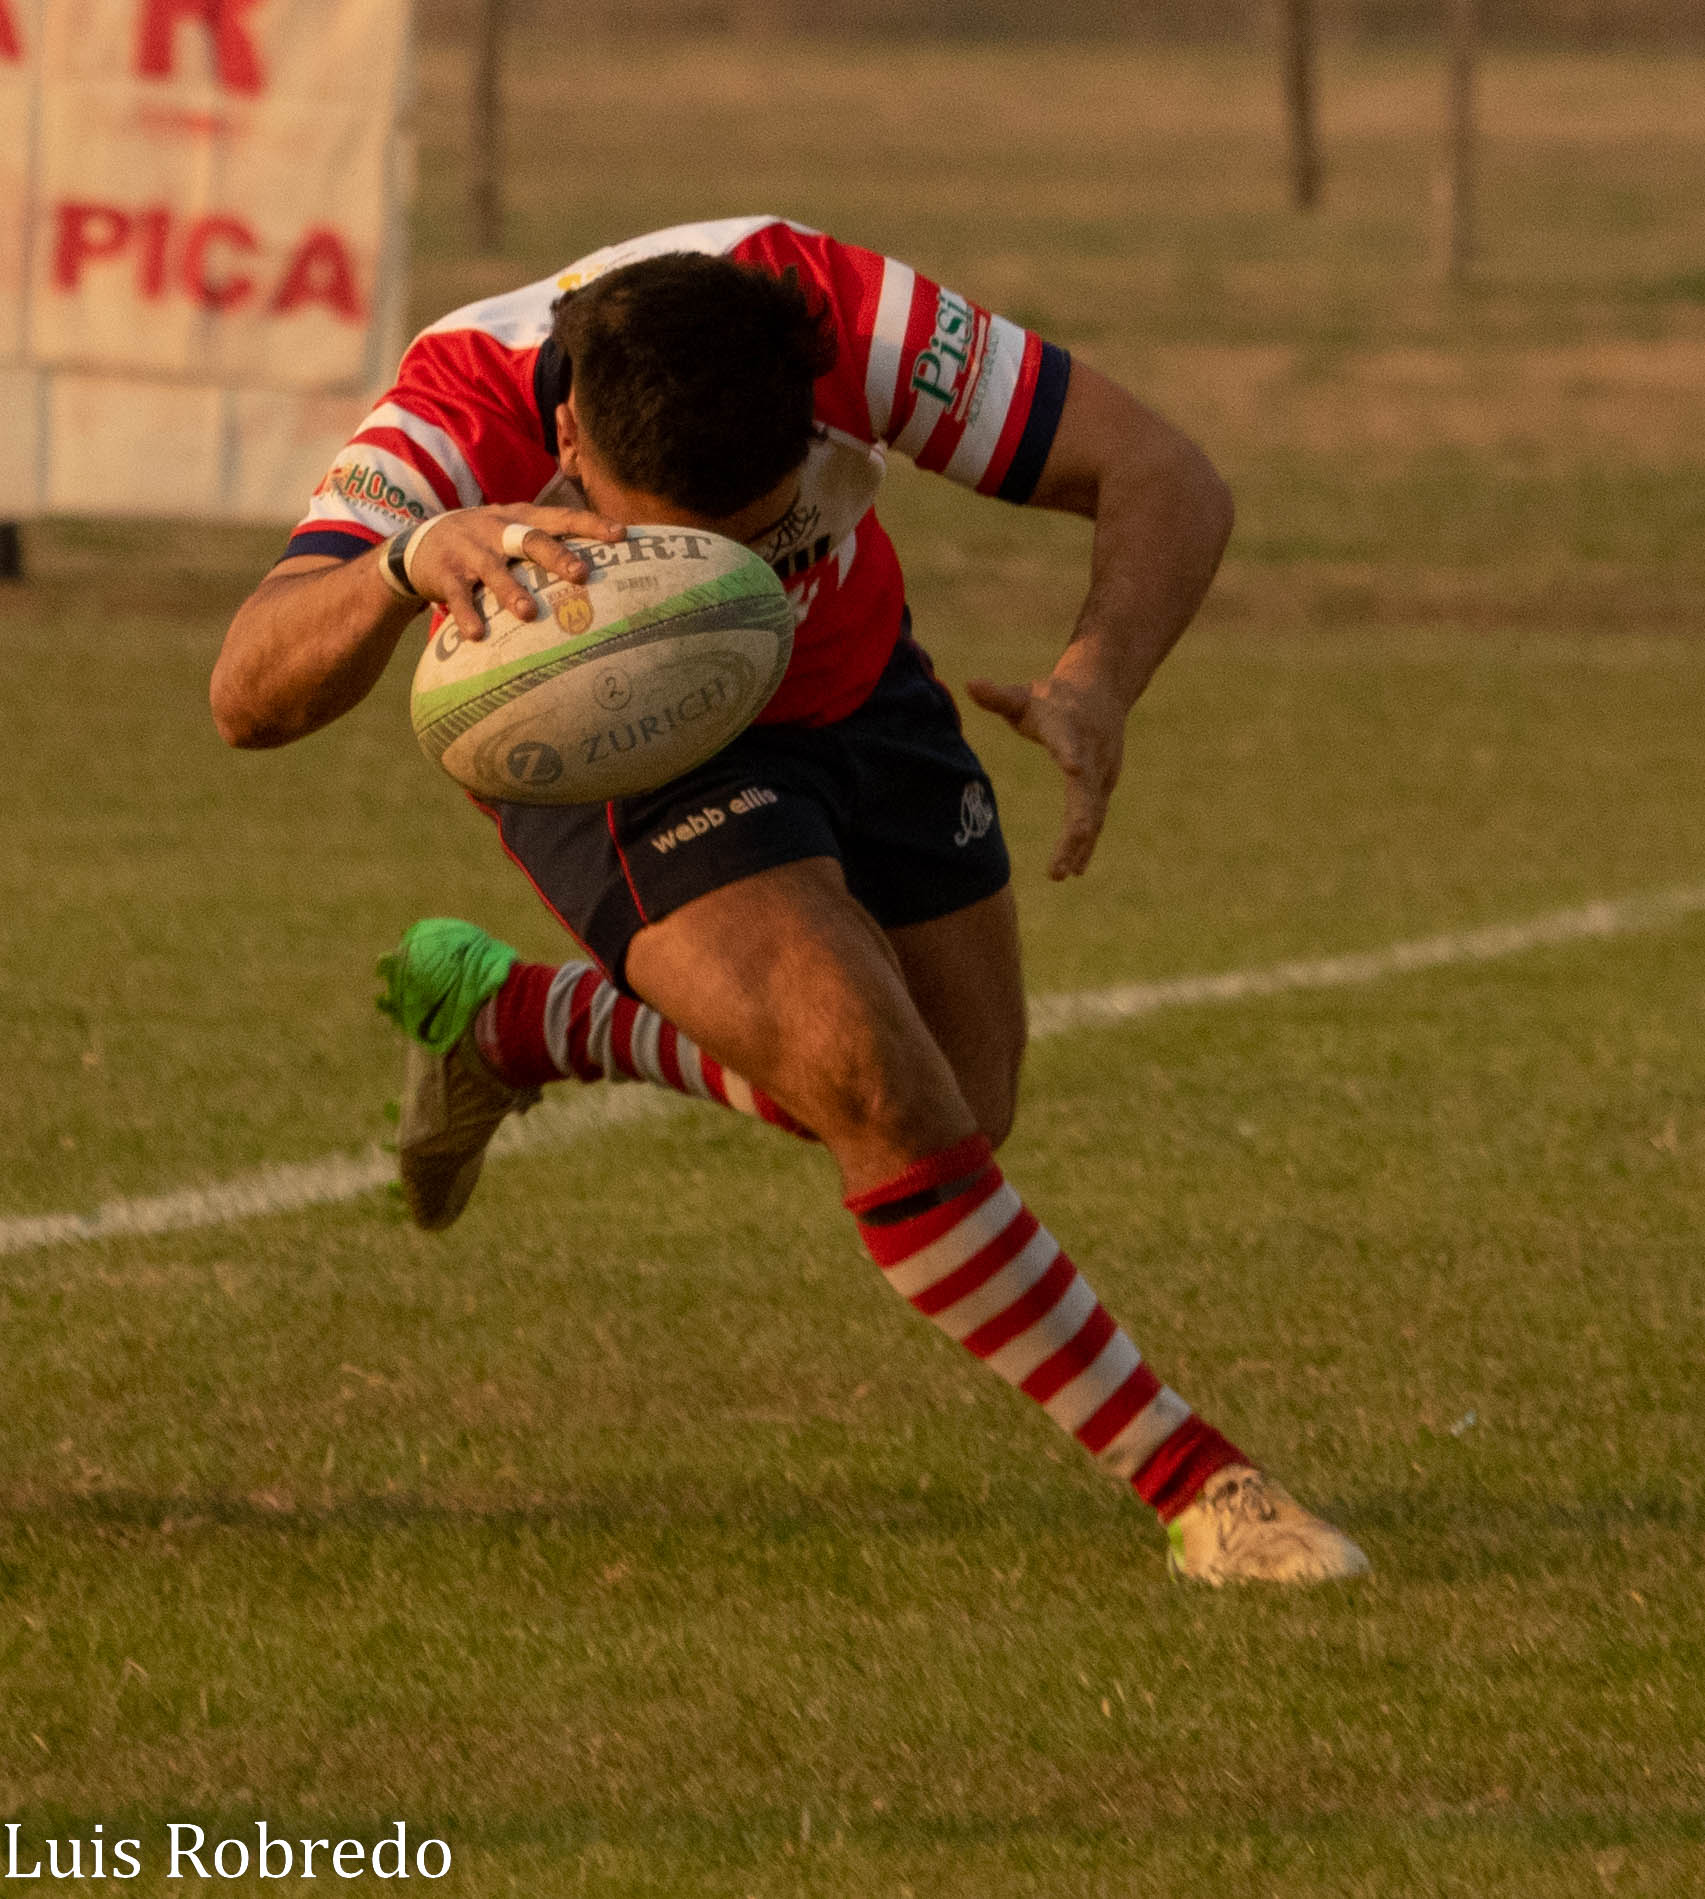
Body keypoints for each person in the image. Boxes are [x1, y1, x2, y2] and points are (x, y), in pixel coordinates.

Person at [212, 215, 1368, 1586]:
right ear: (568, 438)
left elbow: (1162, 472)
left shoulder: (834, 313)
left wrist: (1096, 679)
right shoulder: (452, 414)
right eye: (668, 556)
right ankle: (1203, 1492)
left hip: (854, 682)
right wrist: (403, 567)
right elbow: (245, 693)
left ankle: (518, 1024)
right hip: (613, 741)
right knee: (873, 1086)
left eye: (753, 541)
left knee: (956, 1101)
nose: (715, 582)